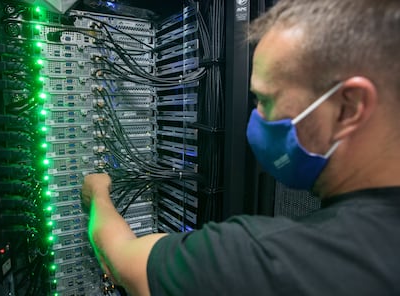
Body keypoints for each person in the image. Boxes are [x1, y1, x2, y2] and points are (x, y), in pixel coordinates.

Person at [81, 0, 400, 295]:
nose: (256, 118)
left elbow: (122, 261)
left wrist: (98, 195)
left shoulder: (272, 260)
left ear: (349, 107)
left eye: (265, 100)